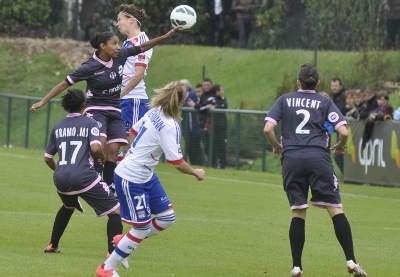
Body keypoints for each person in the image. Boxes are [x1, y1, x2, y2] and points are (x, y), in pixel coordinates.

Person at [30, 26, 181, 194]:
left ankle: (108, 190)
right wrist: (42, 101)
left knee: (112, 153)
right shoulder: (89, 66)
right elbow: (64, 83)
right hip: (96, 110)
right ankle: (88, 182)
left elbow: (143, 47)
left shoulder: (121, 56)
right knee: (98, 148)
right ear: (103, 46)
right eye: (114, 43)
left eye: (119, 43)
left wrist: (166, 36)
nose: (118, 47)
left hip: (115, 110)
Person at [263, 63, 367, 277]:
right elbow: (344, 132)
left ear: (297, 82)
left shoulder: (284, 100)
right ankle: (351, 262)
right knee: (335, 208)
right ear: (318, 83)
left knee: (298, 212)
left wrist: (276, 146)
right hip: (318, 158)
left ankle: (296, 267)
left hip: (291, 158)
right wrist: (340, 145)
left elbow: (267, 128)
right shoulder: (325, 101)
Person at [95, 81, 205, 277]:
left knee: (167, 218)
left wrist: (132, 154)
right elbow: (177, 162)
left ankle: (124, 240)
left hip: (144, 174)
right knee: (142, 228)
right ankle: (106, 269)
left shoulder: (154, 112)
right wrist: (196, 172)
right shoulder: (170, 126)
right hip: (132, 178)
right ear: (181, 101)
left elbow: (133, 132)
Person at [42, 89, 122, 261]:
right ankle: (112, 254)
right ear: (84, 105)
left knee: (68, 206)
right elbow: (95, 147)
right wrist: (101, 158)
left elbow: (48, 157)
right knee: (116, 211)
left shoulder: (58, 125)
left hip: (60, 179)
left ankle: (52, 245)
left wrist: (59, 170)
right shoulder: (90, 123)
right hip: (85, 176)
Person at [117, 3, 153, 153]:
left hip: (133, 100)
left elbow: (139, 74)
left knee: (129, 146)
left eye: (120, 19)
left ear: (131, 20)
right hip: (124, 98)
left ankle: (131, 176)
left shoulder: (142, 42)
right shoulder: (128, 43)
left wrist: (120, 94)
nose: (117, 23)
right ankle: (115, 176)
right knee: (116, 143)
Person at [182, 80, 203, 165]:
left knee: (195, 147)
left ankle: (198, 163)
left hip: (194, 127)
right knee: (191, 147)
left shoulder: (191, 94)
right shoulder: (188, 94)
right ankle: (194, 163)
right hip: (188, 127)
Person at [207, 84, 228, 168]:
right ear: (217, 91)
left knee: (222, 146)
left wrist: (215, 107)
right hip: (214, 127)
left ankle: (222, 165)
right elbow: (209, 106)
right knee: (214, 145)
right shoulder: (211, 99)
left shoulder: (223, 99)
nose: (223, 91)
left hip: (222, 126)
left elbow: (224, 107)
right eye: (221, 90)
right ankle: (214, 164)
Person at [329, 77, 347, 174]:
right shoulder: (332, 97)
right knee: (336, 154)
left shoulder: (345, 96)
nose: (334, 88)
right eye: (332, 86)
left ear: (341, 86)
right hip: (335, 129)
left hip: (344, 128)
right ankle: (346, 174)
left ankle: (348, 174)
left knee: (338, 154)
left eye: (336, 86)